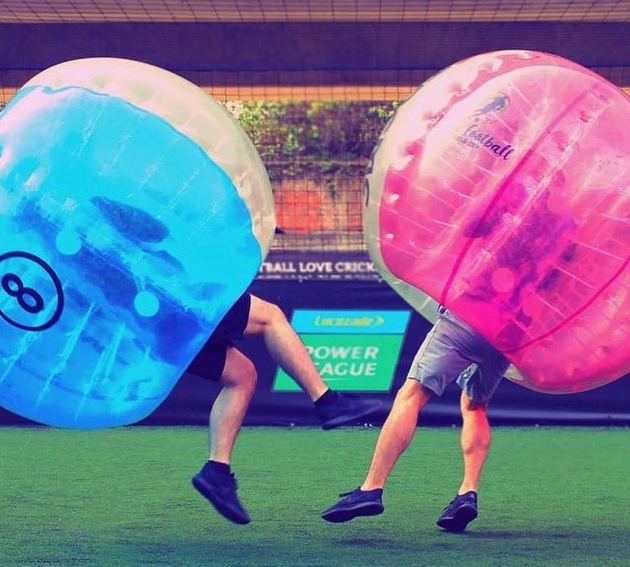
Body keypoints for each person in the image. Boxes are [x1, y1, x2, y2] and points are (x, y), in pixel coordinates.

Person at [187, 292, 385, 525]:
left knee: (241, 376)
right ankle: (328, 402)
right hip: (175, 298)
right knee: (270, 317)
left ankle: (217, 471)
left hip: (152, 329)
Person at [321, 306, 509, 532]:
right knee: (474, 405)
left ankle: (371, 487)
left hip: (467, 317)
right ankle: (468, 493)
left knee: (411, 395)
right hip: (508, 335)